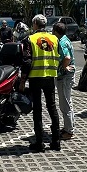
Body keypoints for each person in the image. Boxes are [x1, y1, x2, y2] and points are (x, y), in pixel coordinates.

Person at [21, 14, 61, 152]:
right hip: (50, 77)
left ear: (35, 25)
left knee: (37, 110)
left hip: (36, 77)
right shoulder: (54, 38)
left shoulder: (30, 39)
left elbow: (27, 61)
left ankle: (39, 143)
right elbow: (59, 56)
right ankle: (56, 141)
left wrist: (22, 80)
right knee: (52, 107)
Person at [52, 22, 76, 141]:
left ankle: (69, 131)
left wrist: (64, 67)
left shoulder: (61, 42)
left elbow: (67, 57)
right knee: (67, 102)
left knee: (64, 104)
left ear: (56, 31)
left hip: (64, 77)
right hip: (67, 76)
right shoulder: (65, 39)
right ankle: (68, 127)